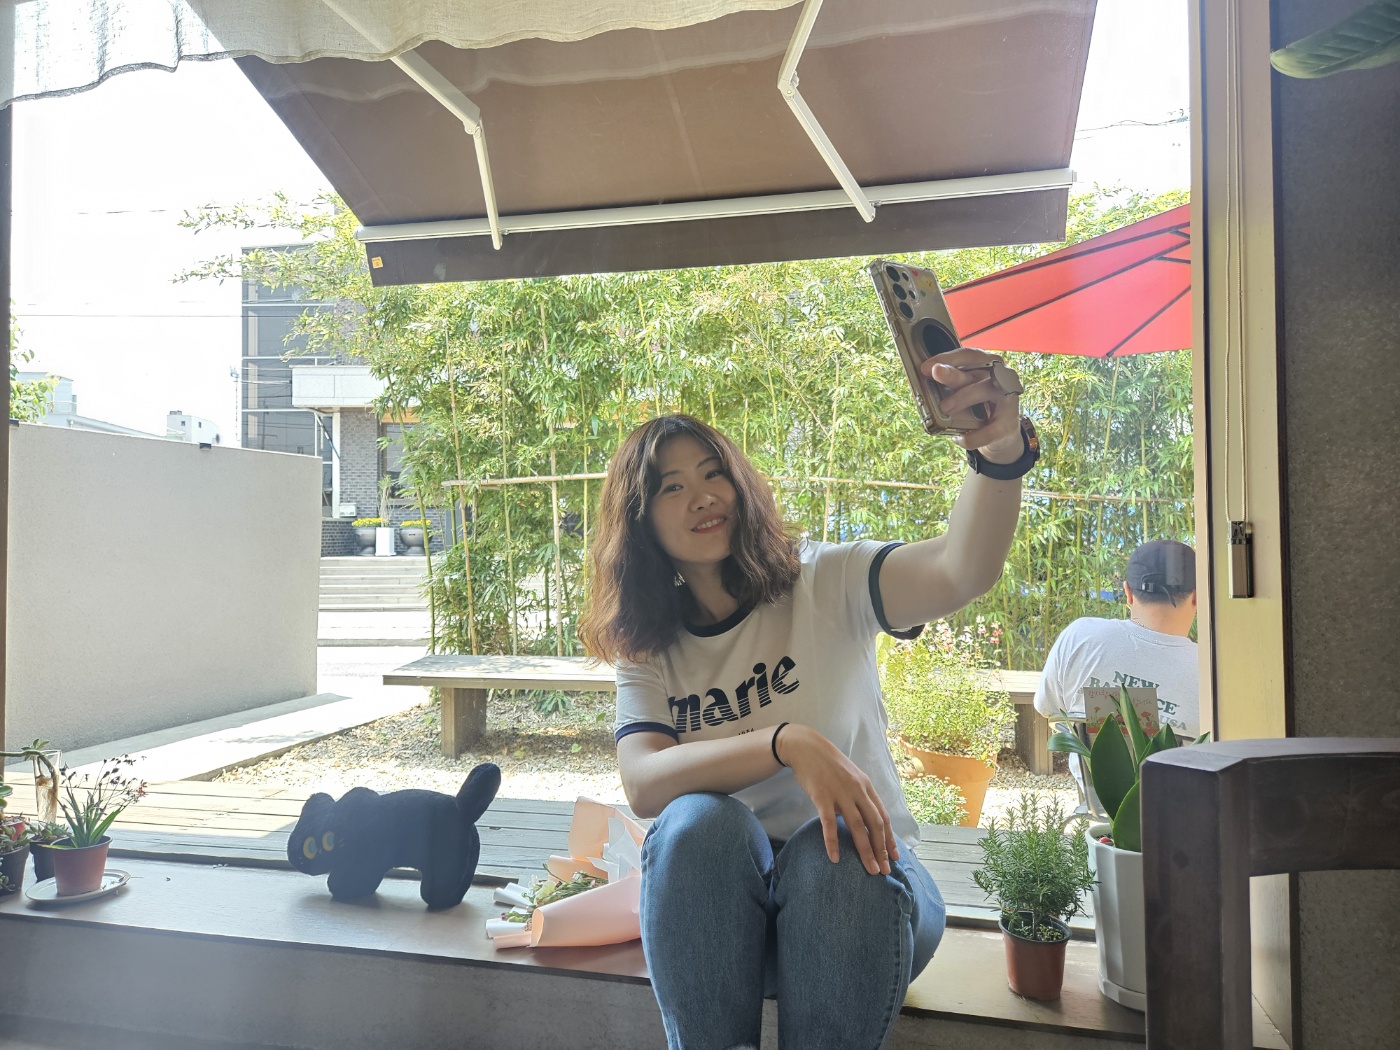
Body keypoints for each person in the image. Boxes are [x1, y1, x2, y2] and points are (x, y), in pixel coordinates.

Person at [578, 348, 1039, 1050]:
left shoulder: (826, 580)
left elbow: (959, 569)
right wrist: (784, 742)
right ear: (641, 523)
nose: (702, 496)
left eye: (713, 473)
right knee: (696, 825)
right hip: (728, 929)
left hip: (866, 899)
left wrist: (998, 452)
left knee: (837, 854)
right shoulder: (649, 647)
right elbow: (643, 781)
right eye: (672, 487)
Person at [1033, 539, 1201, 738]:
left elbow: (1048, 709)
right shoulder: (1213, 670)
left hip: (1092, 761)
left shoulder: (1081, 636)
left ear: (1128, 592)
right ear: (1198, 596)